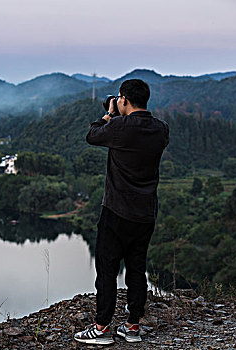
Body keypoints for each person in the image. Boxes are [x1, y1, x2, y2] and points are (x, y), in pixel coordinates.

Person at [74, 79, 169, 345]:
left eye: (119, 98)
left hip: (116, 211)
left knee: (107, 270)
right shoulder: (161, 129)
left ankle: (102, 328)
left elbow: (92, 134)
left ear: (124, 99)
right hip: (146, 213)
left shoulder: (117, 127)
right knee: (137, 270)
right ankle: (132, 326)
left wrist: (109, 113)